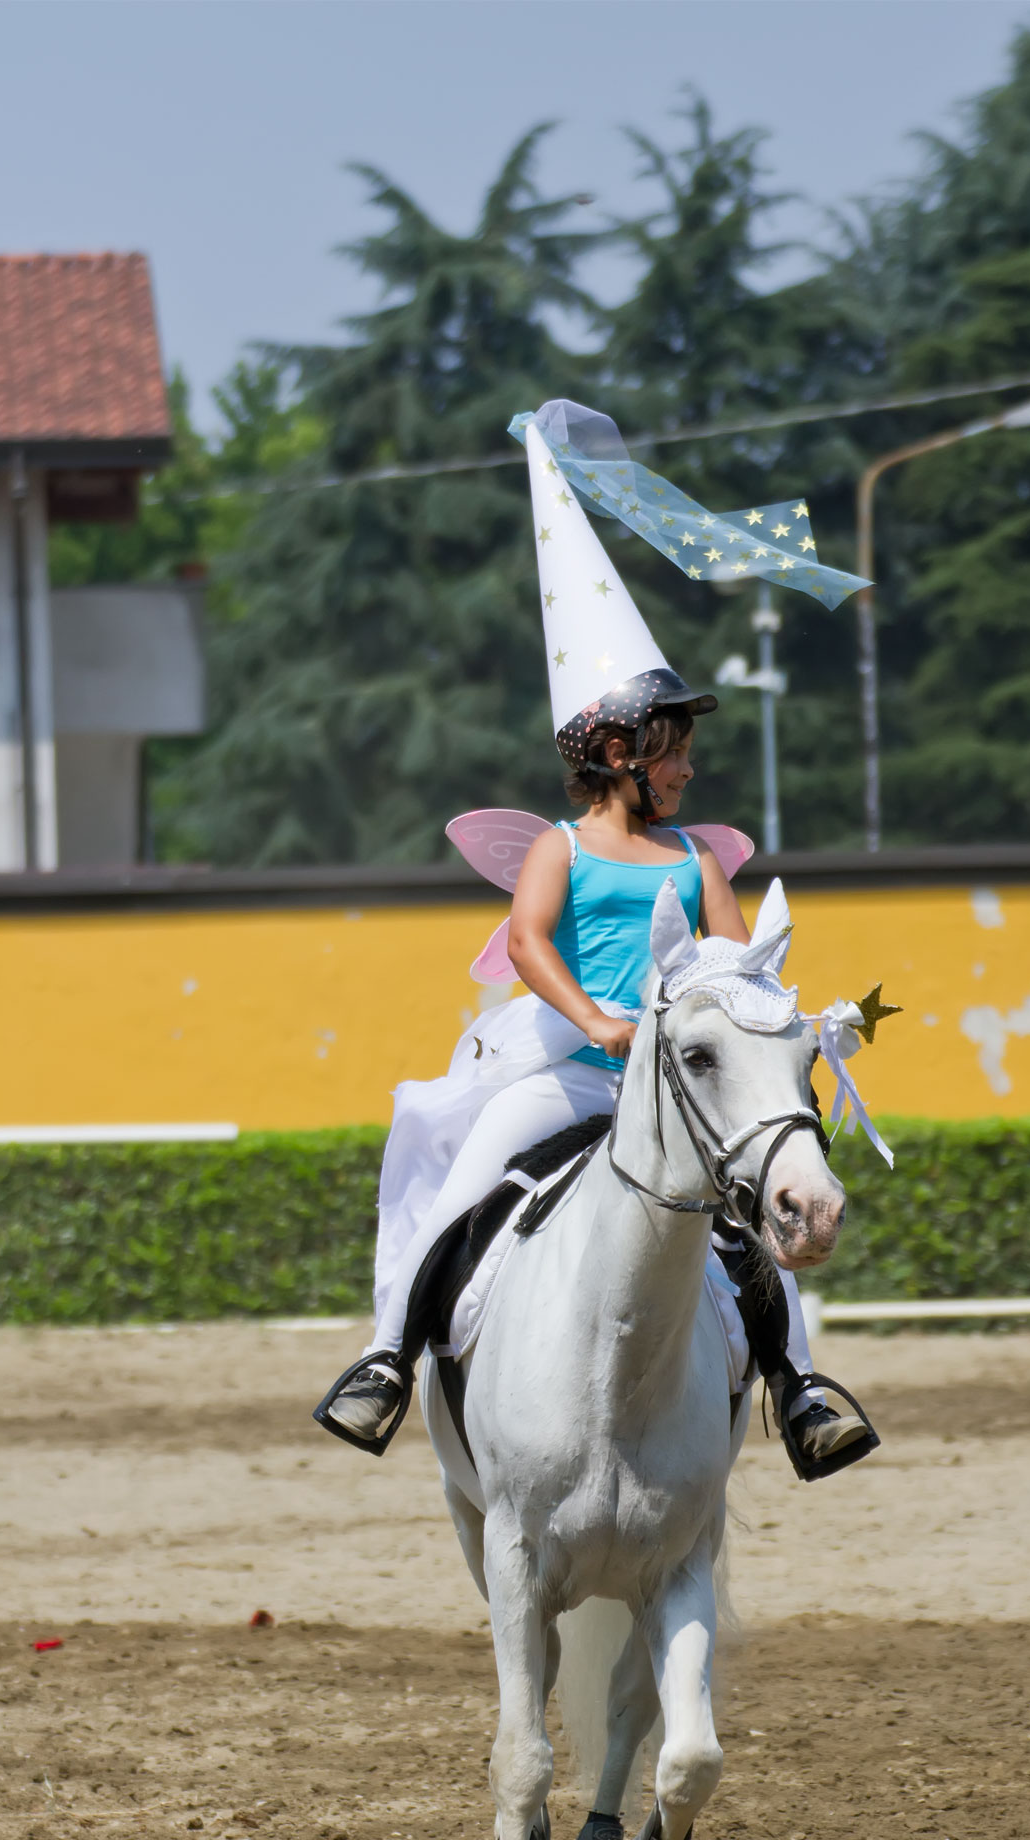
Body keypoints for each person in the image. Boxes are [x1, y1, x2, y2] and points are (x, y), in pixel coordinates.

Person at [314, 398, 881, 1475]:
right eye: (673, 749)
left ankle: (801, 1388)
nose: (687, 768)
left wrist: (807, 1025)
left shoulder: (697, 862)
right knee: (463, 1196)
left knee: (752, 1244)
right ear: (618, 749)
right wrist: (601, 1024)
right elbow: (528, 948)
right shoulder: (559, 852)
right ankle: (387, 1361)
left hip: (671, 1102)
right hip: (569, 1074)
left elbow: (737, 971)